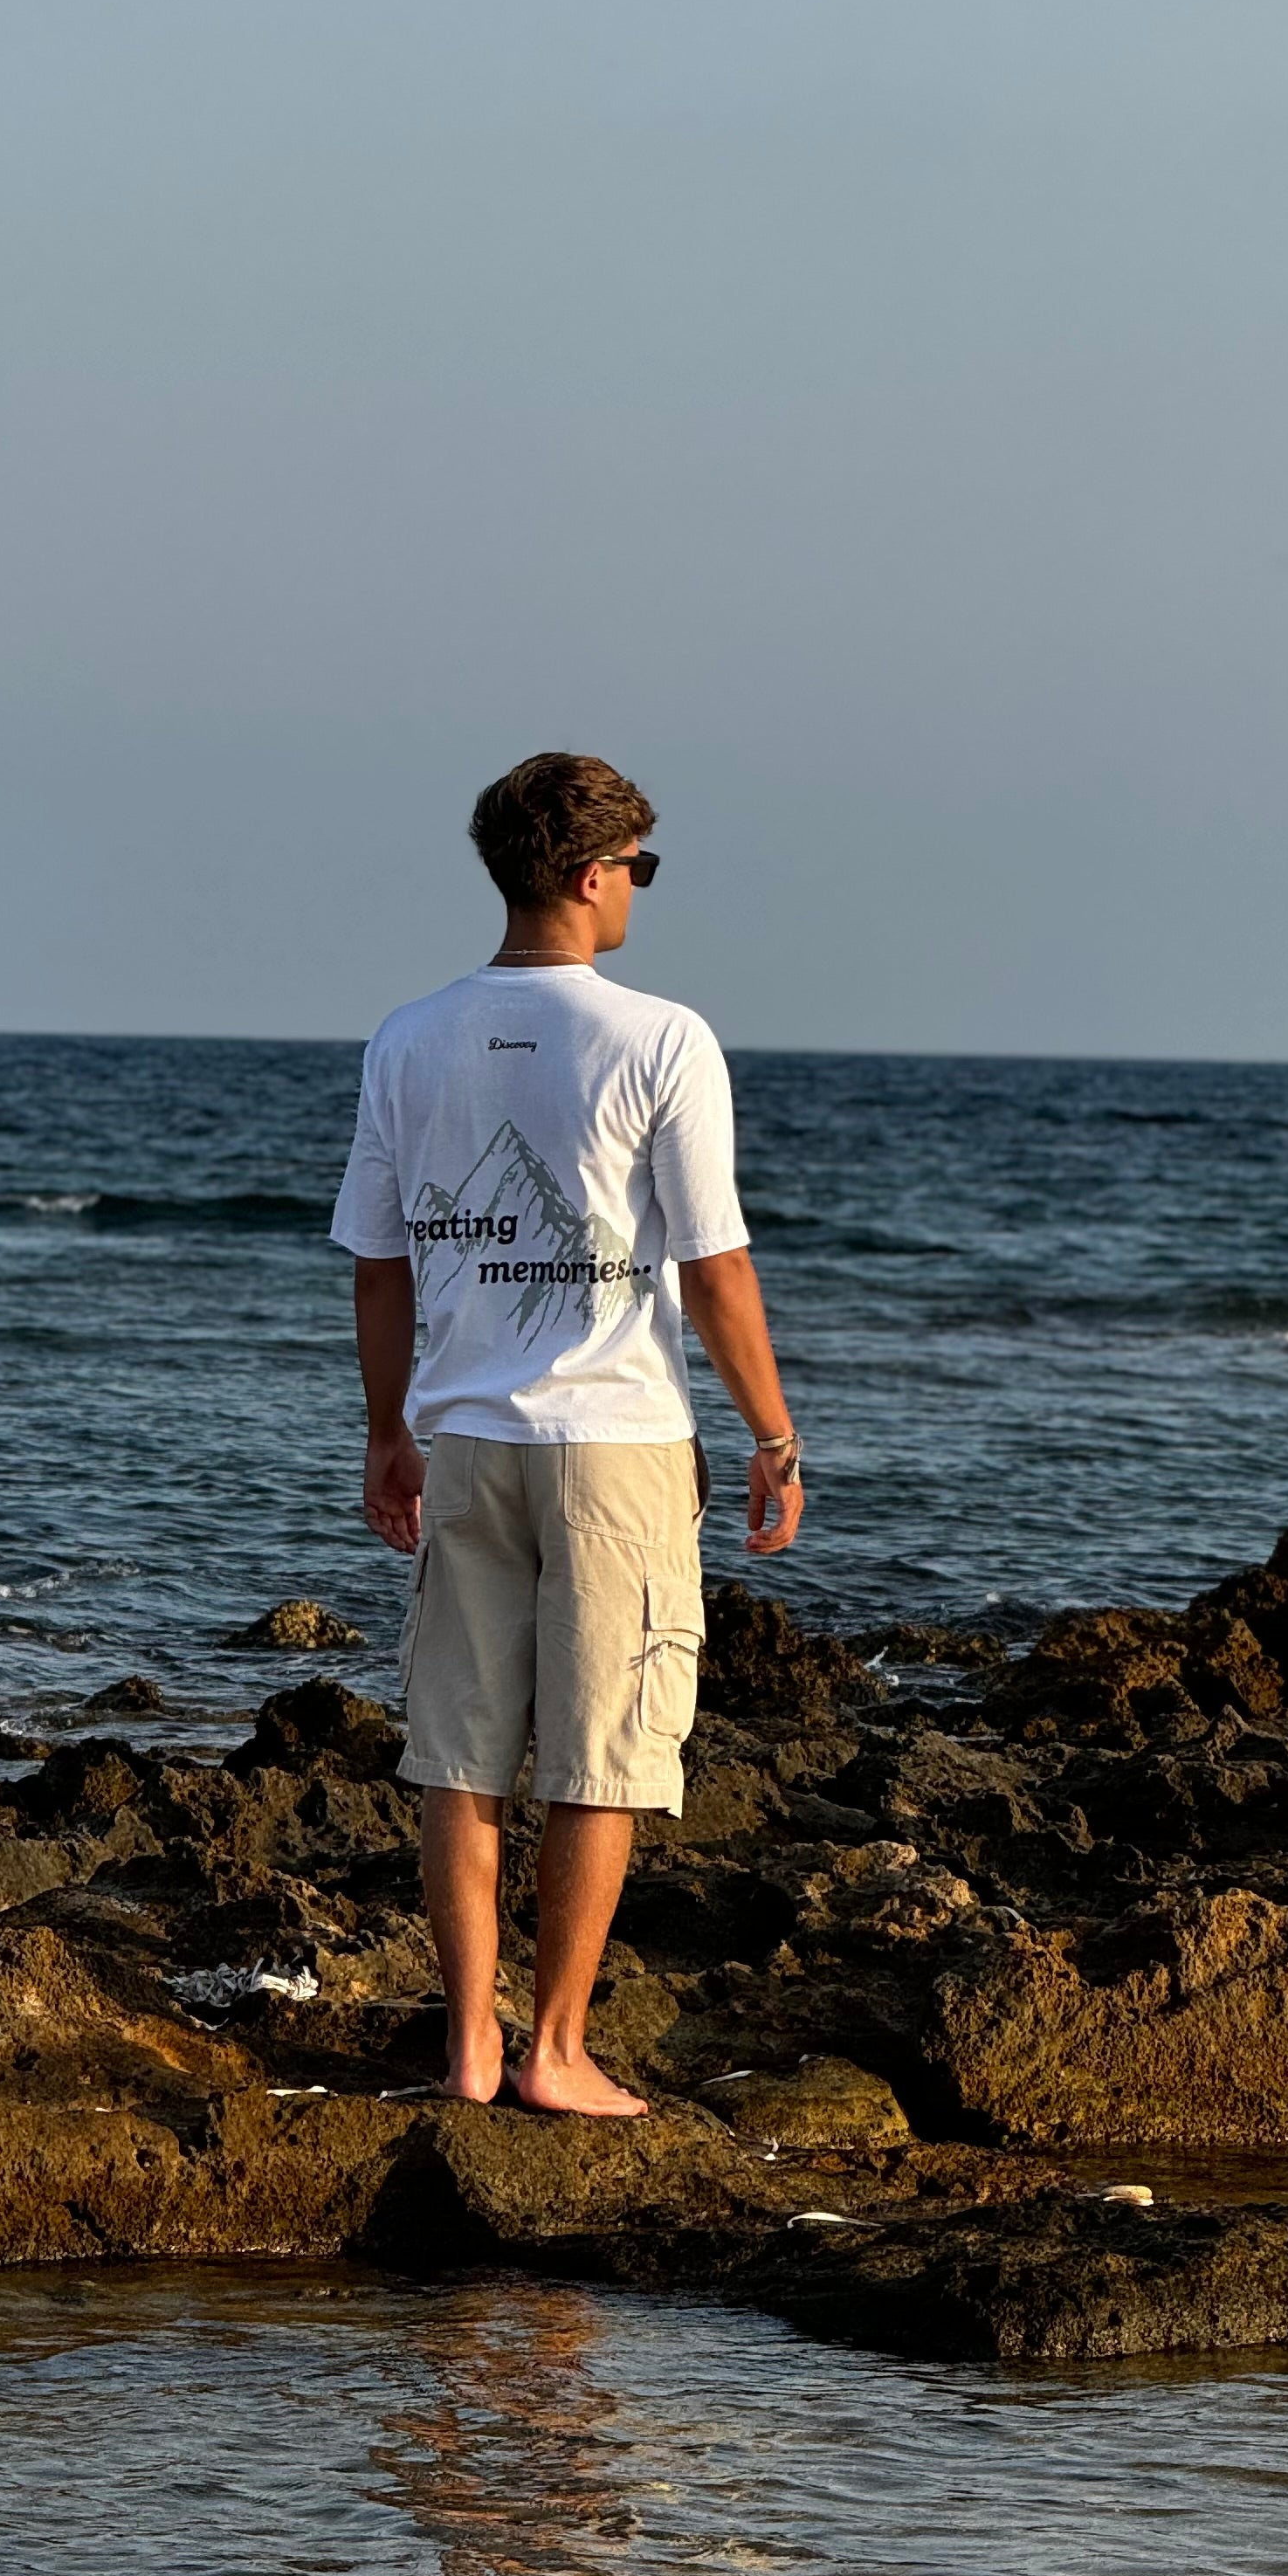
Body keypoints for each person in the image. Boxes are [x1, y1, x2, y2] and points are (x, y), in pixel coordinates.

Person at [331, 750, 803, 2118]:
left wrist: (385, 1431)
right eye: (639, 870)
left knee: (461, 1752)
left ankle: (469, 2046)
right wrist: (772, 1435)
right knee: (606, 1751)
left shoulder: (408, 1037)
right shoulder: (661, 1038)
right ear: (594, 876)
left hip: (465, 1433)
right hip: (616, 1445)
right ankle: (553, 2048)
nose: (639, 893)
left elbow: (376, 1263)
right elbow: (714, 1268)